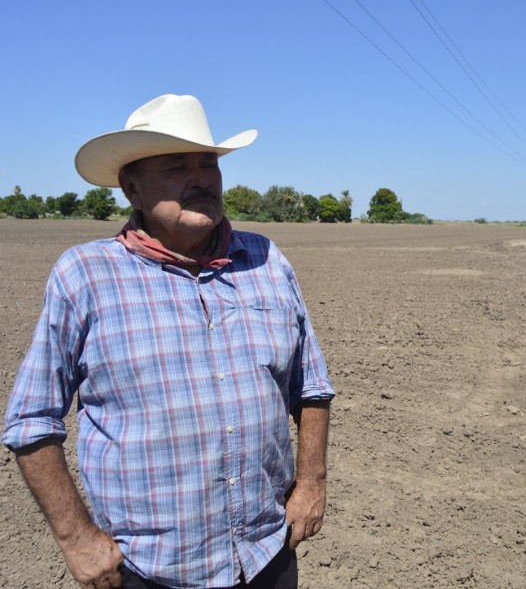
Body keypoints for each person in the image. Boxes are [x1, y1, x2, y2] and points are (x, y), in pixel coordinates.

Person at [2, 94, 335, 589]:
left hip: (267, 553)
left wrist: (311, 483)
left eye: (208, 164)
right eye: (178, 166)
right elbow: (31, 420)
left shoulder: (266, 260)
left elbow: (311, 386)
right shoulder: (85, 276)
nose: (200, 177)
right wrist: (76, 538)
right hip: (149, 568)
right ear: (131, 188)